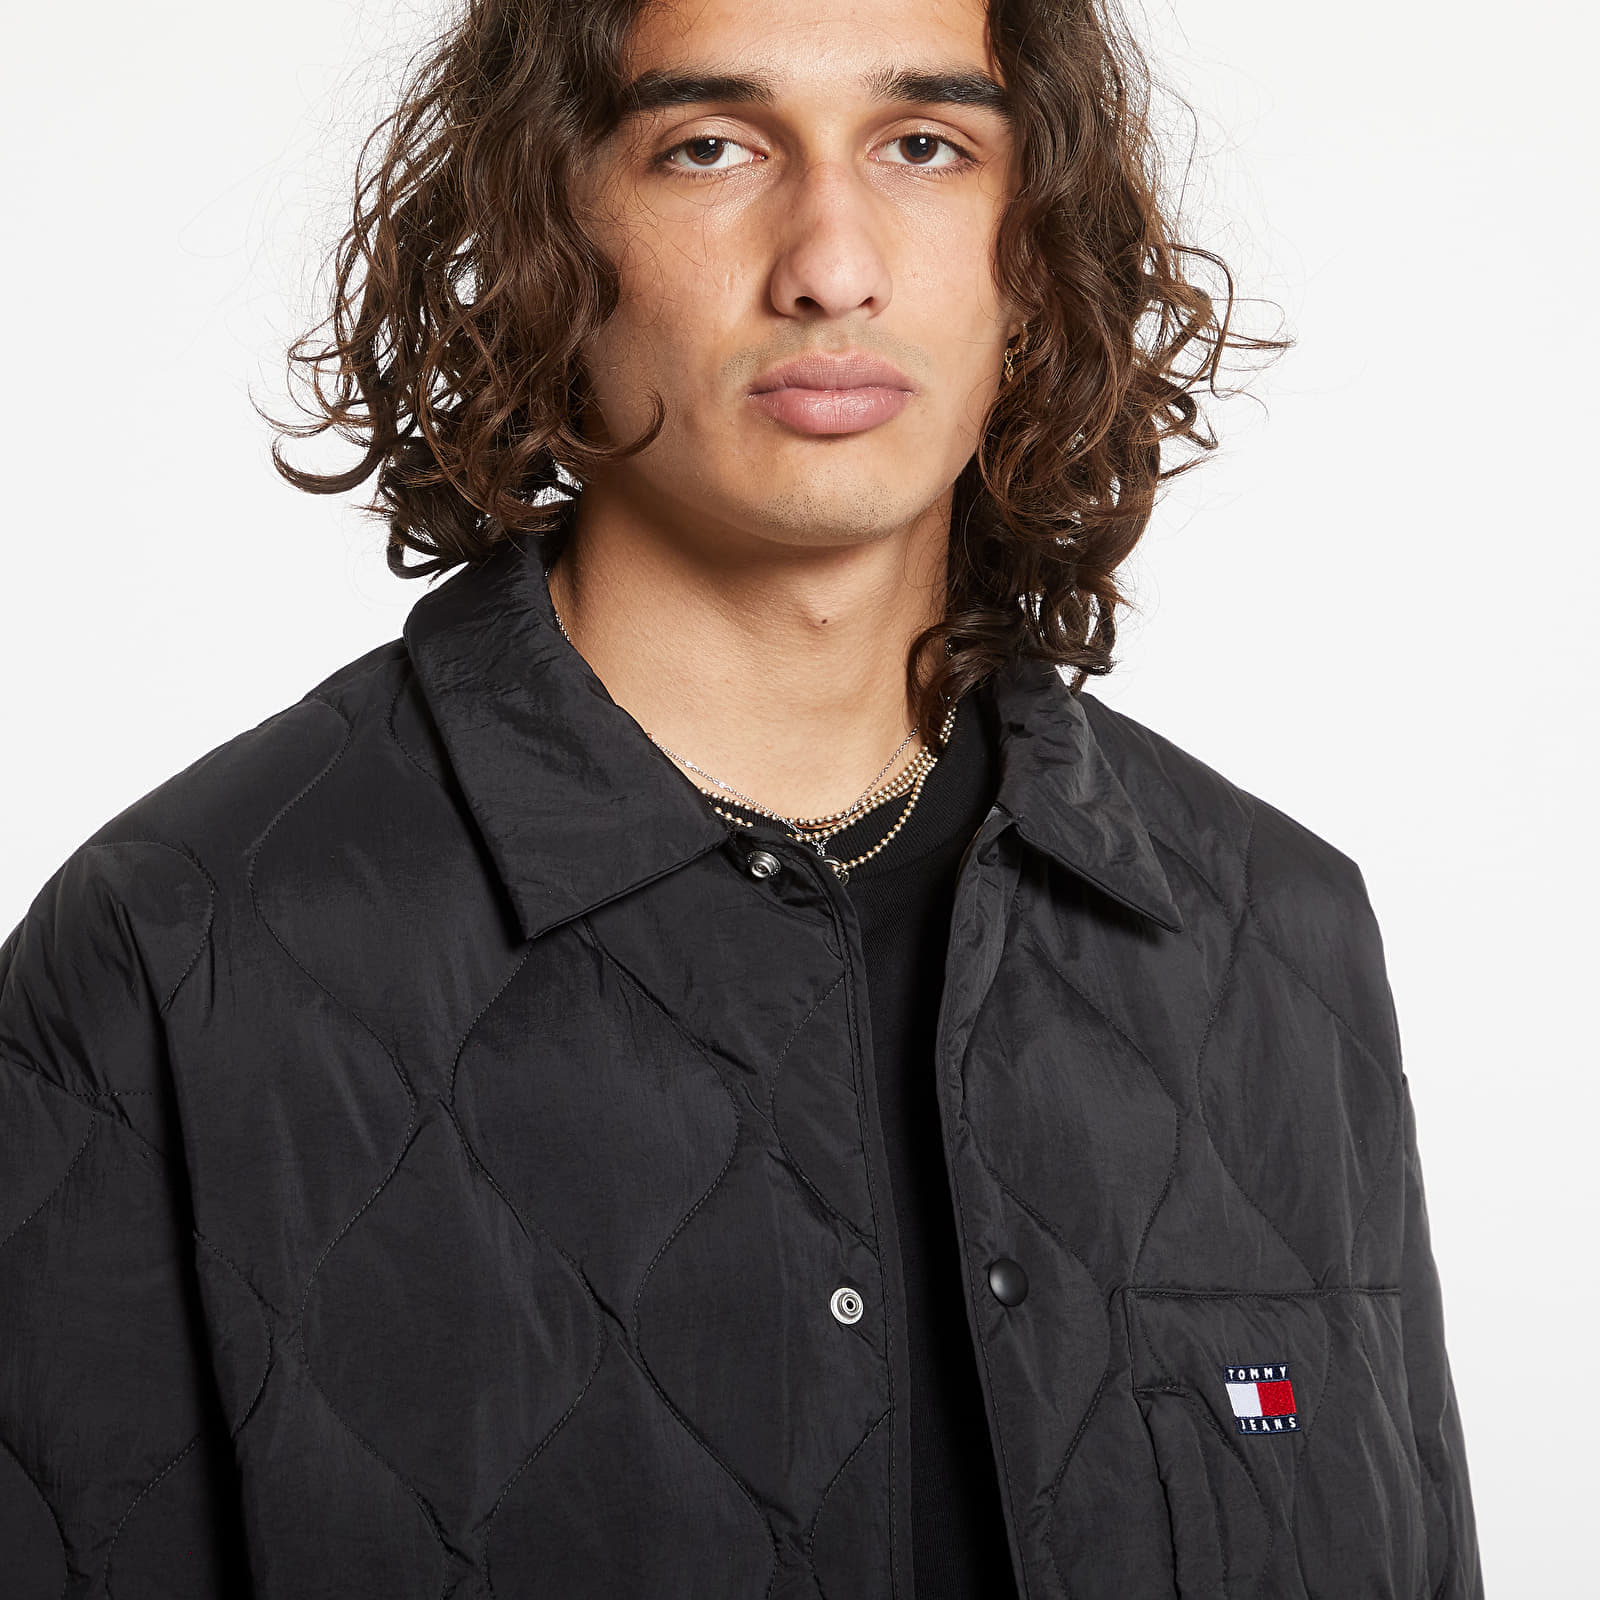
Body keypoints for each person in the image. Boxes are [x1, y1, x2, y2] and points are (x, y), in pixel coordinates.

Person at [0, 0, 1481, 1594]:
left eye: (926, 146)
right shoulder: (186, 952)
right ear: (545, 231)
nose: (832, 266)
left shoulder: (1280, 942)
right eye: (710, 147)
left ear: (1036, 252)